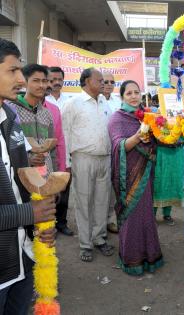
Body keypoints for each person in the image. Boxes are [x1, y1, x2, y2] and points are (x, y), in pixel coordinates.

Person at [0, 38, 56, 315]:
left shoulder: (9, 117)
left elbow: (21, 180)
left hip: (21, 255)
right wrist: (29, 214)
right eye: (13, 71)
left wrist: (39, 227)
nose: (20, 79)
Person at [108, 80, 163, 275]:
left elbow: (159, 139)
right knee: (131, 216)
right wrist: (138, 136)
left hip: (146, 172)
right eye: (129, 93)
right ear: (122, 96)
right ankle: (132, 259)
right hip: (128, 176)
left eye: (136, 92)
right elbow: (118, 146)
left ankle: (150, 256)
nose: (133, 96)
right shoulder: (117, 118)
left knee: (146, 214)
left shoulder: (148, 116)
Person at [62, 68, 113, 262]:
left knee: (103, 201)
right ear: (86, 81)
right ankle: (85, 244)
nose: (103, 83)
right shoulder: (73, 103)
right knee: (84, 202)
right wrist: (67, 163)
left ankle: (99, 238)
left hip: (104, 158)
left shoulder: (104, 102)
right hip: (82, 158)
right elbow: (65, 133)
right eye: (99, 80)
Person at [12, 64, 56, 175]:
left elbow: (51, 149)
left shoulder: (47, 114)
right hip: (22, 176)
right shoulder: (12, 110)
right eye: (36, 81)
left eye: (44, 81)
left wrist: (54, 177)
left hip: (46, 175)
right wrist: (28, 160)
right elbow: (9, 147)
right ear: (25, 83)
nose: (41, 85)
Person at [44, 76, 73, 236]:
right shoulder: (43, 100)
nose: (56, 82)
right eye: (52, 79)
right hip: (45, 158)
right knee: (47, 193)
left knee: (64, 191)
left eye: (59, 79)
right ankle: (49, 224)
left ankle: (62, 223)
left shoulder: (69, 101)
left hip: (66, 152)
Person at [152, 99, 184, 226]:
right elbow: (154, 136)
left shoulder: (181, 116)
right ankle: (152, 216)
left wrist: (179, 141)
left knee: (172, 182)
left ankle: (167, 214)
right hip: (162, 155)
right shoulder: (157, 116)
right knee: (159, 183)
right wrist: (168, 142)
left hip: (176, 156)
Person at [102, 72, 119, 234]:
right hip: (99, 151)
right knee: (99, 190)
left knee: (113, 188)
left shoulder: (118, 102)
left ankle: (110, 220)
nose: (108, 84)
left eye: (111, 82)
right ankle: (98, 223)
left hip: (116, 151)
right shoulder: (94, 101)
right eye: (105, 81)